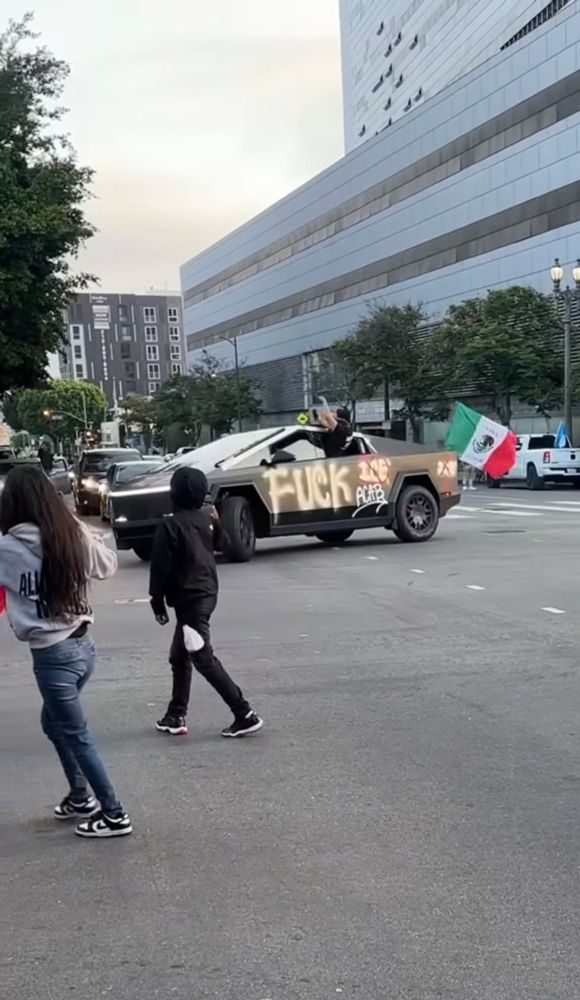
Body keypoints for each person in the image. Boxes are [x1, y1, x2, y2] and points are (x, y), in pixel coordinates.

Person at [0, 465, 132, 839]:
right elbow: (107, 565)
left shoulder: (6, 549)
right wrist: (81, 529)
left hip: (52, 658)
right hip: (82, 647)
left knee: (76, 734)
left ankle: (114, 813)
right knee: (53, 724)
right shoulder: (70, 534)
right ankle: (79, 797)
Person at [149, 467, 263, 738]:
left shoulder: (170, 525)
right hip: (206, 594)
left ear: (173, 493)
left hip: (189, 600)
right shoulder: (206, 520)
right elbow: (222, 543)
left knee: (202, 657)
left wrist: (157, 603)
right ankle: (175, 714)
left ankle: (244, 713)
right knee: (180, 657)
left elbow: (160, 568)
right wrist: (218, 520)